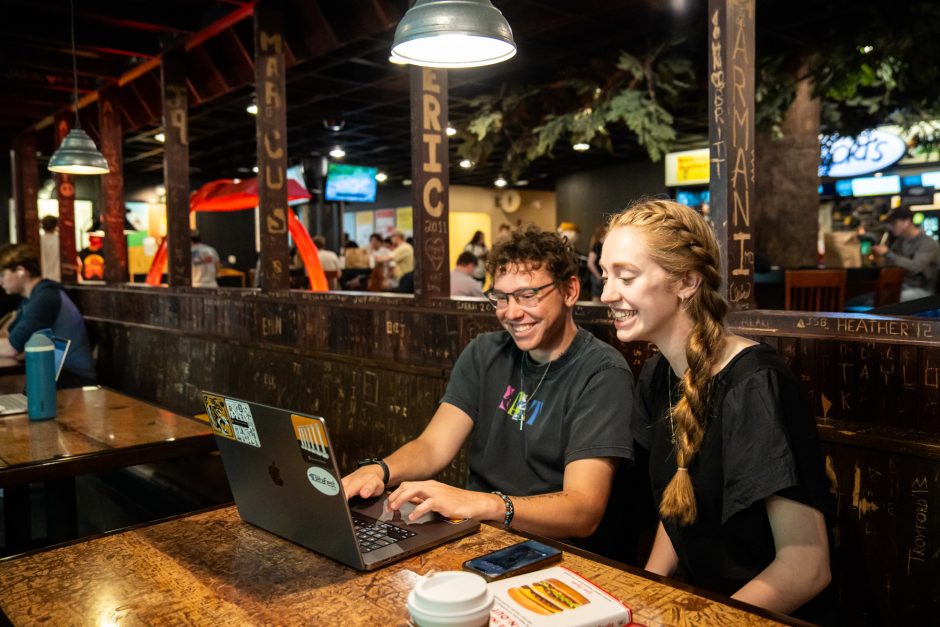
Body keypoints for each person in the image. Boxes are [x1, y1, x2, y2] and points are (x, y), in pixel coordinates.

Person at [600, 199, 832, 620]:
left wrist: (698, 620)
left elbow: (806, 569)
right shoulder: (658, 375)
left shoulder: (754, 385)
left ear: (686, 281)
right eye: (604, 275)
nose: (607, 294)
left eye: (626, 277)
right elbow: (678, 507)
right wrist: (644, 600)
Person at [343, 226, 635, 544]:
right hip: (478, 532)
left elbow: (583, 512)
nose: (512, 312)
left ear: (569, 291)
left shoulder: (602, 372)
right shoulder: (485, 352)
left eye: (528, 295)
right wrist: (380, 471)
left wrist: (486, 504)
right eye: (501, 297)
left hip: (555, 549)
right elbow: (433, 447)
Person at [0, 244, 96, 388]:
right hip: (53, 376)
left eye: (2, 274)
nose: (0, 281)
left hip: (74, 381)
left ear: (20, 271)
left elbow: (11, 348)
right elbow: (8, 337)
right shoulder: (31, 298)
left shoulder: (46, 297)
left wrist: (15, 347)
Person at [871, 205, 939, 301]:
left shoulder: (928, 243)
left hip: (922, 291)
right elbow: (889, 265)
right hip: (901, 286)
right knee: (858, 299)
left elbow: (915, 268)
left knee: (885, 299)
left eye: (893, 223)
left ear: (906, 222)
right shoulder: (900, 241)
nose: (890, 227)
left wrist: (887, 253)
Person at [586, 225, 607, 304]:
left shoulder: (603, 246)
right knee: (596, 300)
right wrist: (598, 276)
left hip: (601, 277)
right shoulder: (597, 246)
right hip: (597, 278)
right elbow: (590, 263)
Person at [40, 215, 61, 282]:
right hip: (58, 278)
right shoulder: (60, 240)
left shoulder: (38, 241)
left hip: (42, 277)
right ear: (56, 226)